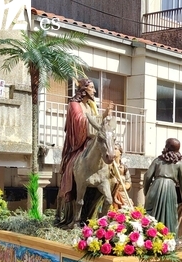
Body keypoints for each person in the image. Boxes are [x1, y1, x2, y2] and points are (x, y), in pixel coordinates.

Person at [56, 79, 109, 226]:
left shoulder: (91, 105)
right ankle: (70, 209)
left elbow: (97, 125)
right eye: (92, 88)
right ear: (84, 90)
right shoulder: (74, 104)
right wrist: (101, 117)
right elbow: (80, 121)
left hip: (93, 142)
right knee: (71, 166)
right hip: (78, 145)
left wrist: (104, 119)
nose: (94, 91)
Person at [144, 138, 182, 234]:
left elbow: (147, 176)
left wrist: (146, 192)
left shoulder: (157, 160)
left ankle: (148, 236)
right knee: (170, 214)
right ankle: (169, 238)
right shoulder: (179, 164)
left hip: (155, 186)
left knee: (150, 214)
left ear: (166, 147)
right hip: (170, 189)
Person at [109, 144, 133, 210]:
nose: (113, 150)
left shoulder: (124, 167)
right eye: (112, 149)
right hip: (111, 193)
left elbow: (128, 182)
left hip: (122, 194)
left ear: (120, 152)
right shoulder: (109, 166)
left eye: (115, 149)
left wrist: (123, 187)